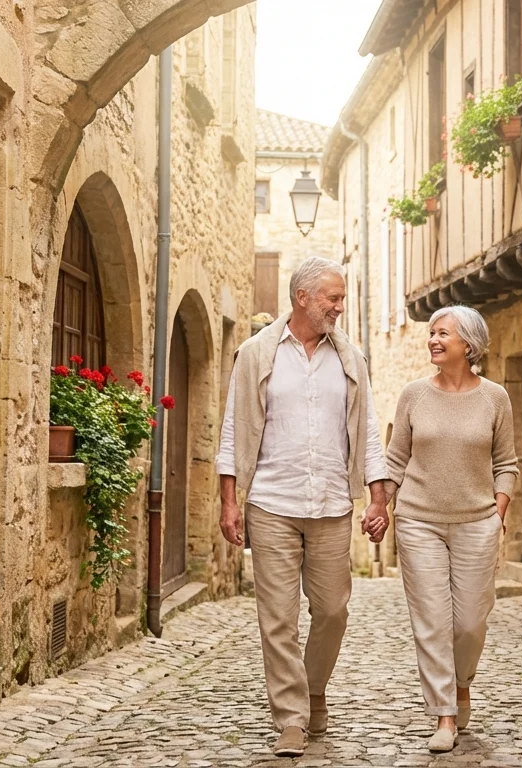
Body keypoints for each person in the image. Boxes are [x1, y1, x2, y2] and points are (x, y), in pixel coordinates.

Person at [215, 256, 390, 757]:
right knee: (278, 618)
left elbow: (369, 431)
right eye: (332, 299)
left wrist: (378, 496)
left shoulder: (350, 359)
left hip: (332, 503)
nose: (340, 307)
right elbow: (233, 429)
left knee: (333, 610)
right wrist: (230, 501)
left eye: (341, 298)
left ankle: (315, 689)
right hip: (271, 502)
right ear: (302, 299)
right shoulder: (256, 353)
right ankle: (291, 717)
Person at [384, 305, 519, 753]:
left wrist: (497, 512)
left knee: (469, 623)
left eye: (443, 333)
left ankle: (463, 684)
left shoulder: (495, 397)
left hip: (477, 523)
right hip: (419, 520)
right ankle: (443, 712)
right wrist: (381, 504)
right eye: (431, 333)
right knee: (432, 621)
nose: (433, 340)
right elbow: (395, 460)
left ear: (469, 344)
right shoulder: (413, 395)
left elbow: (506, 464)